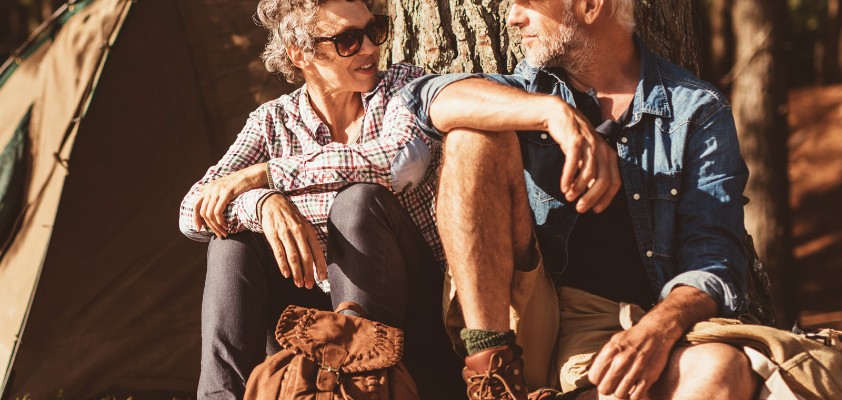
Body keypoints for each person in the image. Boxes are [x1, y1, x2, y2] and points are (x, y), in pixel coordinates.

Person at [400, 0, 759, 399]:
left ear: (590, 7)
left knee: (720, 369)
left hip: (617, 326)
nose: (514, 18)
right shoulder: (528, 92)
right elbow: (426, 100)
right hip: (520, 315)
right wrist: (553, 114)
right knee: (472, 135)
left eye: (528, 4)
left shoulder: (694, 111)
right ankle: (493, 377)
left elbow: (714, 260)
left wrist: (657, 329)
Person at [178, 0, 460, 398]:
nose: (369, 48)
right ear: (300, 53)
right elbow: (193, 210)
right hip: (314, 323)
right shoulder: (272, 121)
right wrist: (264, 204)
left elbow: (395, 164)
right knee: (233, 242)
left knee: (358, 202)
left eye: (374, 30)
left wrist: (271, 174)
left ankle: (364, 388)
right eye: (347, 39)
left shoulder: (401, 87)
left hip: (413, 316)